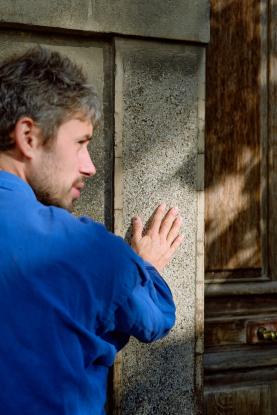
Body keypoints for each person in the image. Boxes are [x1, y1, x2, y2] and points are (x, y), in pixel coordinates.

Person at [0, 47, 183, 415]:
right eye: (81, 143)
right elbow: (154, 319)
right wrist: (141, 267)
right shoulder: (88, 250)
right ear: (28, 136)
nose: (90, 167)